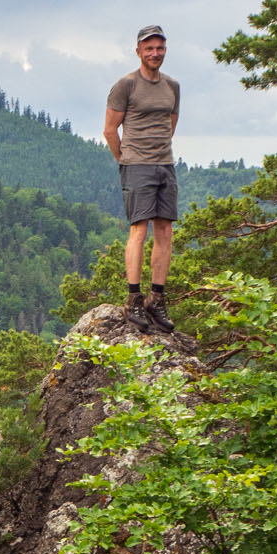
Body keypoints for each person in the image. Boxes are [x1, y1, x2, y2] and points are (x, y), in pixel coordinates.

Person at [103, 25, 180, 334]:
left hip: (166, 164)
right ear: (138, 51)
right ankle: (133, 298)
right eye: (149, 48)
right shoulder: (125, 85)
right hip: (137, 165)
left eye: (159, 48)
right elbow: (110, 129)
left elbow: (170, 122)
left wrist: (158, 151)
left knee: (165, 231)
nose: (155, 53)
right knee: (139, 230)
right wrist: (125, 159)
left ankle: (156, 300)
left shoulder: (172, 86)